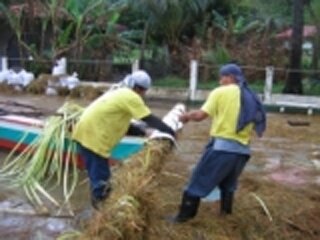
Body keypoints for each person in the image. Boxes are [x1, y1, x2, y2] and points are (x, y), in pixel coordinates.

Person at [168, 63, 266, 223]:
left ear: (231, 77)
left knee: (198, 180)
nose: (220, 81)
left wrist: (185, 117)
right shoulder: (250, 95)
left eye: (222, 77)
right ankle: (226, 215)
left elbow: (200, 115)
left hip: (223, 149)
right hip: (242, 151)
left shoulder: (220, 92)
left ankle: (183, 217)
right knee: (228, 184)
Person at [72, 70, 175, 209]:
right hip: (93, 138)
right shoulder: (131, 96)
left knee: (99, 177)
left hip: (86, 133)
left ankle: (99, 209)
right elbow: (148, 118)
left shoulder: (119, 92)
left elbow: (123, 122)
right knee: (101, 181)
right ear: (141, 89)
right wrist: (169, 131)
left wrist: (142, 131)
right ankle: (101, 215)